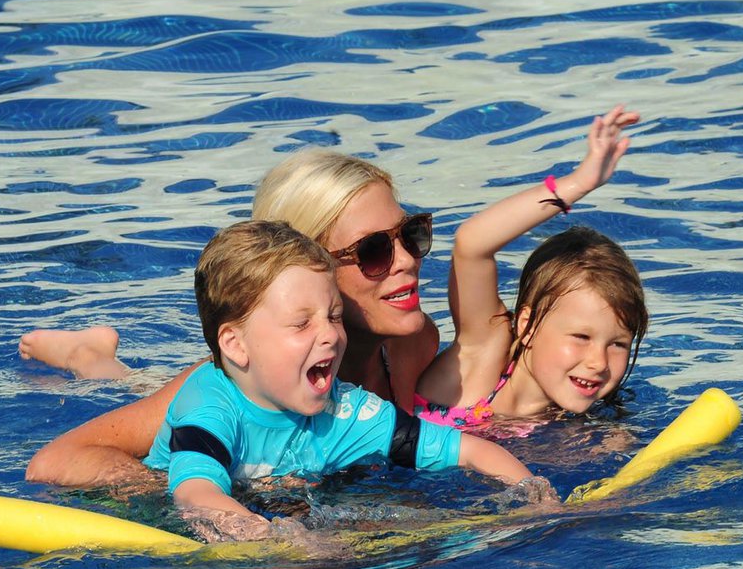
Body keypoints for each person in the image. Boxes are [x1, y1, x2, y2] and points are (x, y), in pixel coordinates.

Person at [25, 149, 440, 488]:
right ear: (303, 265)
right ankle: (89, 356)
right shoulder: (218, 387)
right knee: (149, 391)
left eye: (411, 234)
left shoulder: (413, 344)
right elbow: (56, 460)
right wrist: (182, 485)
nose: (408, 260)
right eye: (373, 251)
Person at [145, 220, 551, 542]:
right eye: (302, 323)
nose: (330, 335)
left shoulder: (345, 411)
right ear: (235, 344)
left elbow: (468, 449)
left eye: (334, 317)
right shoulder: (208, 406)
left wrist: (532, 491)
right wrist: (270, 539)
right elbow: (195, 496)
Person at [411, 105, 650, 429]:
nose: (598, 363)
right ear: (527, 326)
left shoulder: (584, 427)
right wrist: (579, 183)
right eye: (581, 336)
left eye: (618, 344)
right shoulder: (482, 362)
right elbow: (472, 244)